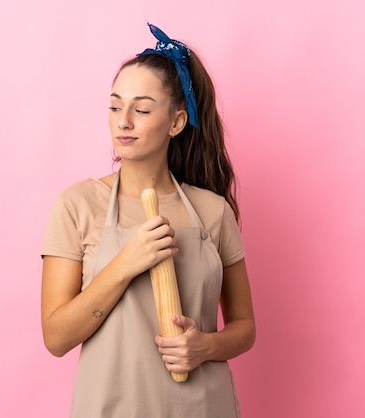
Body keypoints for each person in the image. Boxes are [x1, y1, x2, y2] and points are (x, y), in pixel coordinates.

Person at [41, 22, 255, 417]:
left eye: (140, 109)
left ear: (175, 122)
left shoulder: (212, 210)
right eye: (114, 106)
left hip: (204, 407)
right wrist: (126, 263)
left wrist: (205, 346)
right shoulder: (77, 204)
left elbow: (244, 327)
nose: (123, 121)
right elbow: (56, 337)